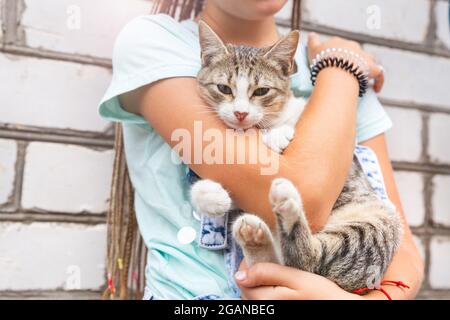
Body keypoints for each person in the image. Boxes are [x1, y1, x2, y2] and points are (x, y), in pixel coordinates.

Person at [99, 0, 424, 299]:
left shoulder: (341, 68)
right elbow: (307, 204)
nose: (240, 110)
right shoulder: (157, 42)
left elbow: (404, 254)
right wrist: (340, 67)